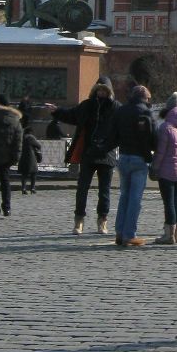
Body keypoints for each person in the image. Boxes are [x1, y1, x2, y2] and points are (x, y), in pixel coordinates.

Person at [52, 77, 120, 237]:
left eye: (104, 90)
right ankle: (79, 220)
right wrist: (56, 111)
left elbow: (121, 129)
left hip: (106, 154)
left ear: (109, 91)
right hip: (88, 153)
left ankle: (102, 220)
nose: (101, 92)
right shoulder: (87, 105)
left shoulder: (116, 108)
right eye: (99, 89)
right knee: (82, 188)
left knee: (104, 191)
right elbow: (72, 115)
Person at [109, 85, 158, 247]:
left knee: (124, 195)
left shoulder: (121, 110)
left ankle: (119, 232)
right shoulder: (145, 112)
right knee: (135, 198)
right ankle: (129, 234)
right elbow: (153, 136)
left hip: (123, 156)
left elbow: (113, 132)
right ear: (146, 98)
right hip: (139, 158)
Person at [151, 92, 177, 245]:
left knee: (168, 202)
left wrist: (155, 167)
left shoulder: (166, 127)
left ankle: (168, 235)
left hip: (167, 169)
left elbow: (161, 152)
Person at [0, 94, 23, 220]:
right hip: (7, 157)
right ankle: (7, 208)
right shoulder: (15, 119)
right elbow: (18, 141)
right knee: (5, 181)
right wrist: (16, 157)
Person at [19, 124, 42, 194]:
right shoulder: (30, 137)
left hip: (23, 157)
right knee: (33, 173)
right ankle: (32, 188)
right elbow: (38, 145)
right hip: (31, 158)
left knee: (24, 174)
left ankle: (23, 188)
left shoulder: (21, 137)